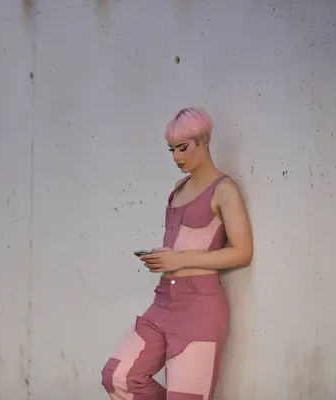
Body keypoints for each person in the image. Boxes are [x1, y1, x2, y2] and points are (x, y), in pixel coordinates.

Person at [101, 107, 253, 400]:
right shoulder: (178, 189)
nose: (176, 157)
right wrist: (164, 258)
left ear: (205, 141)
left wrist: (180, 259)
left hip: (199, 307)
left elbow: (242, 253)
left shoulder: (224, 190)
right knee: (119, 377)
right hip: (163, 302)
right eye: (171, 150)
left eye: (183, 148)